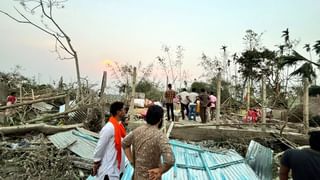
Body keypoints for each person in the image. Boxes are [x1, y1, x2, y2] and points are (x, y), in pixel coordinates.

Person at [122, 105, 175, 180]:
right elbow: (170, 160)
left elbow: (124, 143)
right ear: (160, 120)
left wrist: (131, 162)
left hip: (137, 176)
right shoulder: (160, 136)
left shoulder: (137, 131)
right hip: (151, 177)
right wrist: (160, 171)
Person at [92, 101, 127, 180]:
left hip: (116, 168)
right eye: (124, 109)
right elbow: (100, 146)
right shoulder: (109, 128)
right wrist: (96, 162)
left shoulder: (119, 126)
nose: (125, 111)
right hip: (108, 170)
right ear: (118, 112)